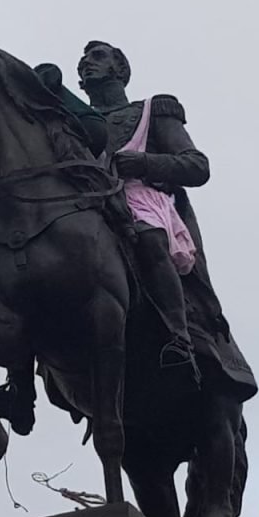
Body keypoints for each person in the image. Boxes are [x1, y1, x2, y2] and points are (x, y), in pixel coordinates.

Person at [76, 40, 209, 376]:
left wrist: (143, 163)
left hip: (141, 200)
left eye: (97, 56)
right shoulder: (74, 124)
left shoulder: (152, 111)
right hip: (90, 204)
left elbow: (196, 166)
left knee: (150, 240)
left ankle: (179, 337)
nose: (86, 63)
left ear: (119, 68)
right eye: (83, 60)